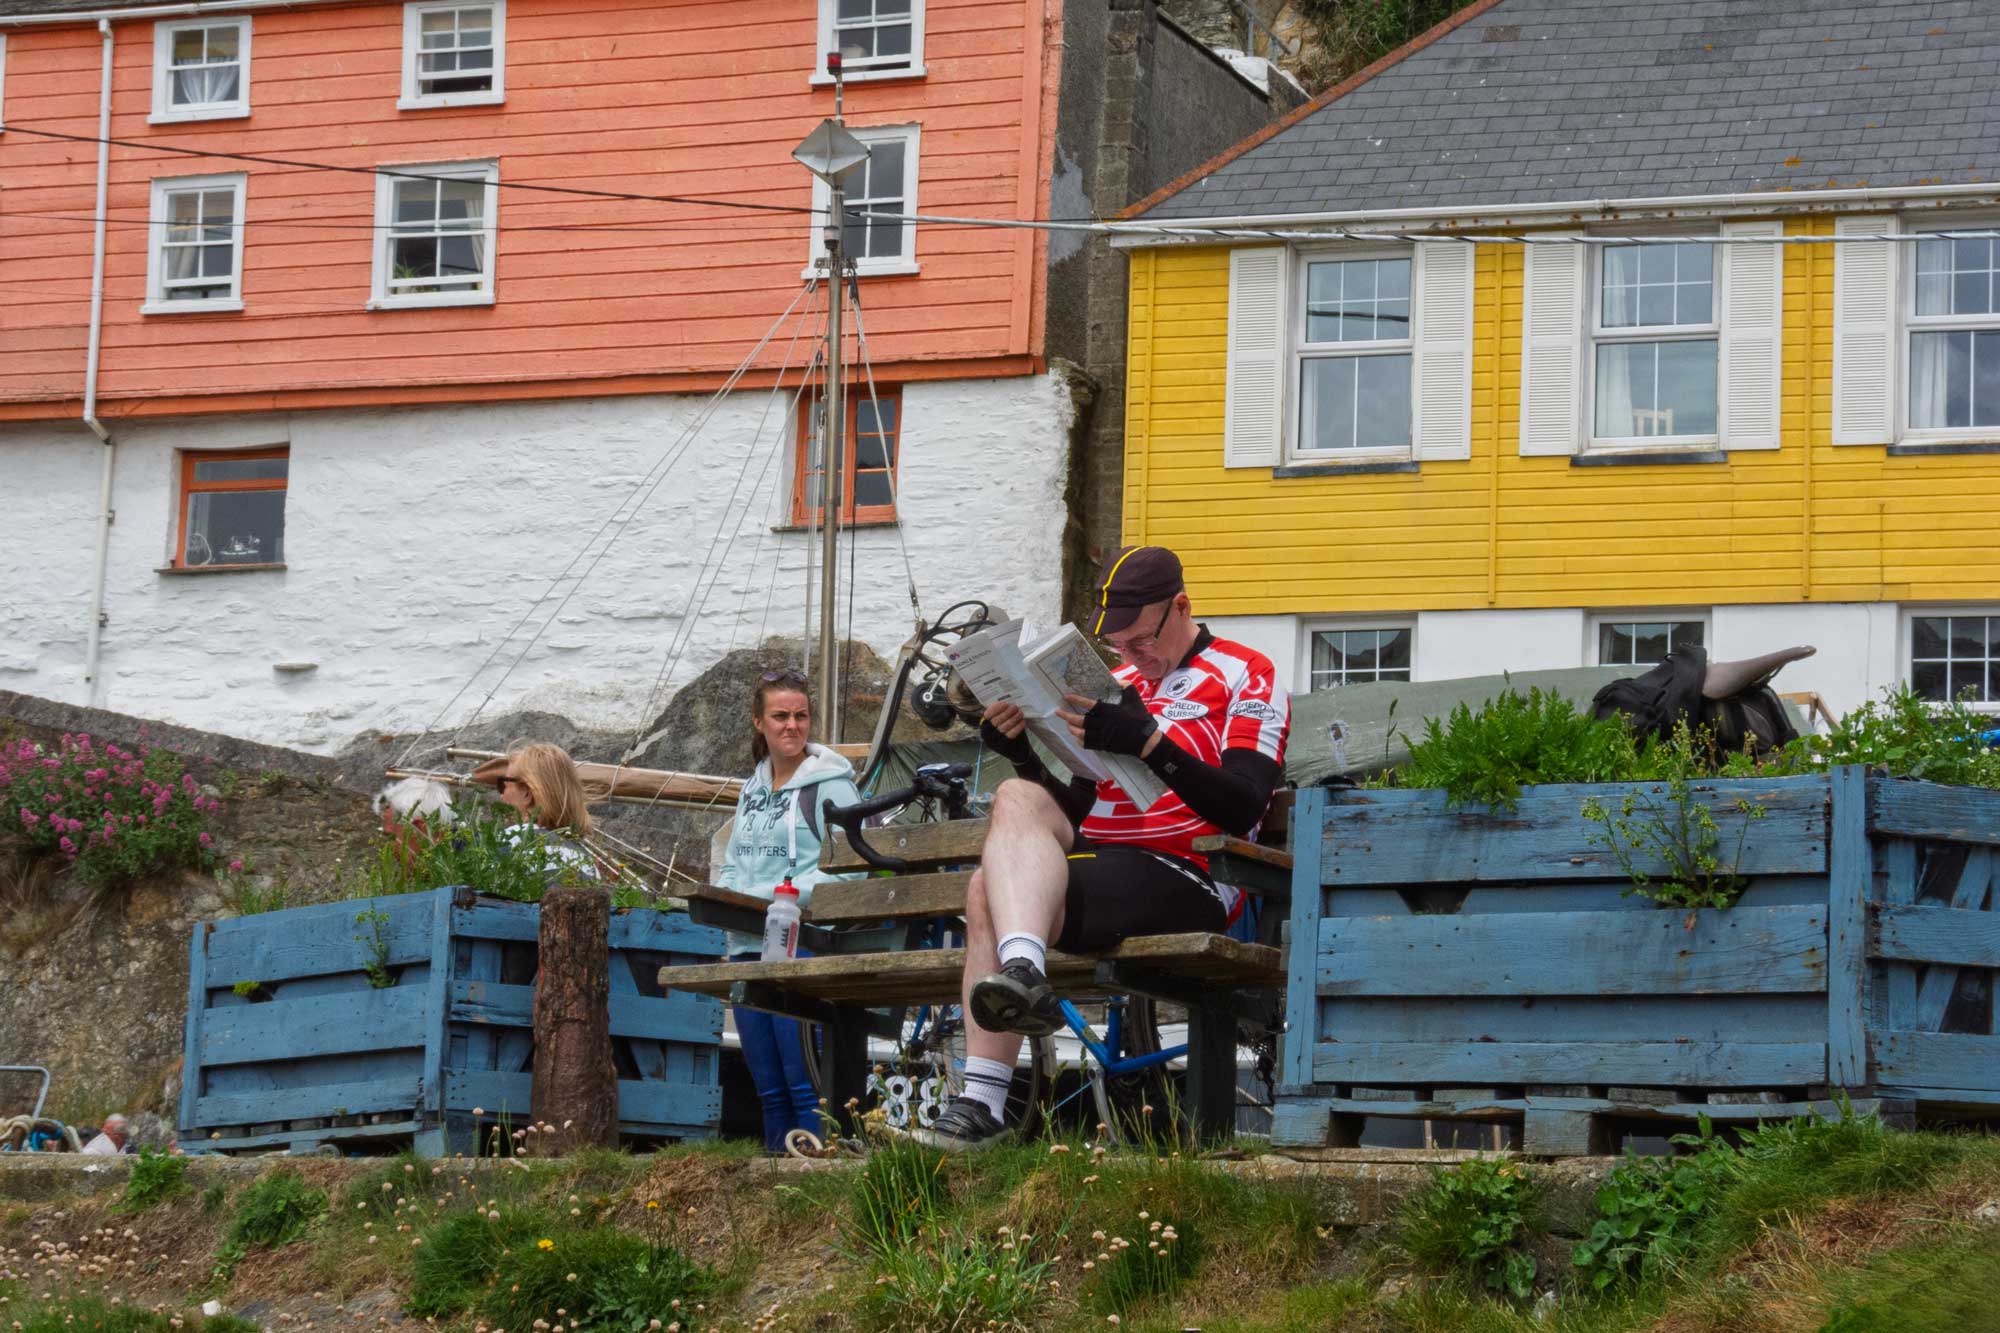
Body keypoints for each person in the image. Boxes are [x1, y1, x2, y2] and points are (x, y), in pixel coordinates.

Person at [911, 545, 1290, 1151]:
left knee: (987, 891)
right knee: (1012, 799)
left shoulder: (1247, 673)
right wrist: (1021, 749)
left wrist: (1151, 746)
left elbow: (1244, 802)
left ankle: (983, 1101)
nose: (1133, 656)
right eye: (1119, 646)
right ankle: (1022, 979)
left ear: (1182, 607)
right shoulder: (1118, 685)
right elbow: (1080, 807)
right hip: (1103, 861)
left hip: (1189, 871)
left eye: (1141, 641)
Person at [713, 669, 862, 1153]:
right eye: (780, 716)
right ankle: (778, 1175)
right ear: (759, 722)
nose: (791, 726)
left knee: (803, 1083)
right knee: (767, 1085)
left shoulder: (832, 786)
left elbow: (851, 869)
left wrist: (787, 898)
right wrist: (733, 900)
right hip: (745, 942)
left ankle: (818, 1172)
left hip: (801, 943)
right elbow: (733, 861)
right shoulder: (751, 788)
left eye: (800, 716)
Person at [470, 742, 601, 881]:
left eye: (503, 785)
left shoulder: (509, 841)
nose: (501, 795)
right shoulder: (588, 861)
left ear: (527, 793)